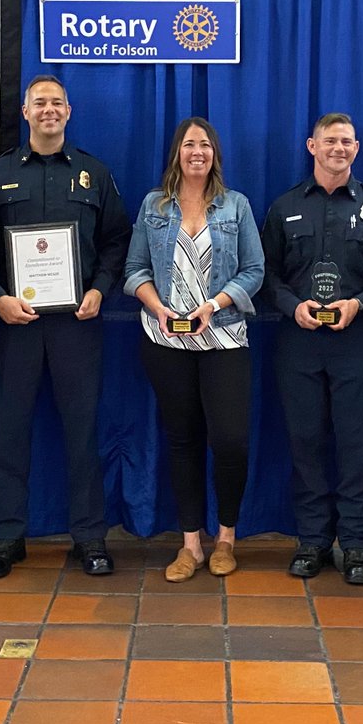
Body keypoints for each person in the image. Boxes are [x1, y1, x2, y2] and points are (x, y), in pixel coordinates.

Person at [0, 75, 131, 578]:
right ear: (24, 111)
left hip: (76, 325)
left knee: (82, 433)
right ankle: (6, 537)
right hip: (16, 325)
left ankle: (90, 538)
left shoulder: (93, 174)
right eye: (39, 102)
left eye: (57, 102)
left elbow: (116, 241)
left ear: (69, 110)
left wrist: (100, 289)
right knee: (11, 431)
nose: (49, 110)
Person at [262, 113, 363, 584]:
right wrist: (290, 306)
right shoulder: (284, 207)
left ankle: (358, 545)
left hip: (357, 344)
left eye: (346, 141)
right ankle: (312, 541)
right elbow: (266, 275)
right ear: (312, 146)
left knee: (357, 447)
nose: (338, 148)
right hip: (299, 344)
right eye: (329, 141)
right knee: (305, 443)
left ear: (357, 148)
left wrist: (360, 303)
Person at [124, 117, 264, 582]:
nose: (197, 152)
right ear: (177, 153)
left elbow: (254, 271)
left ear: (214, 154)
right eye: (189, 144)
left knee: (230, 441)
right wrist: (158, 307)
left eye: (204, 144)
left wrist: (214, 304)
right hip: (166, 341)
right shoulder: (153, 206)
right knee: (182, 441)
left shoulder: (236, 206)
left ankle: (226, 538)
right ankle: (191, 545)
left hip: (223, 337)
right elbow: (135, 268)